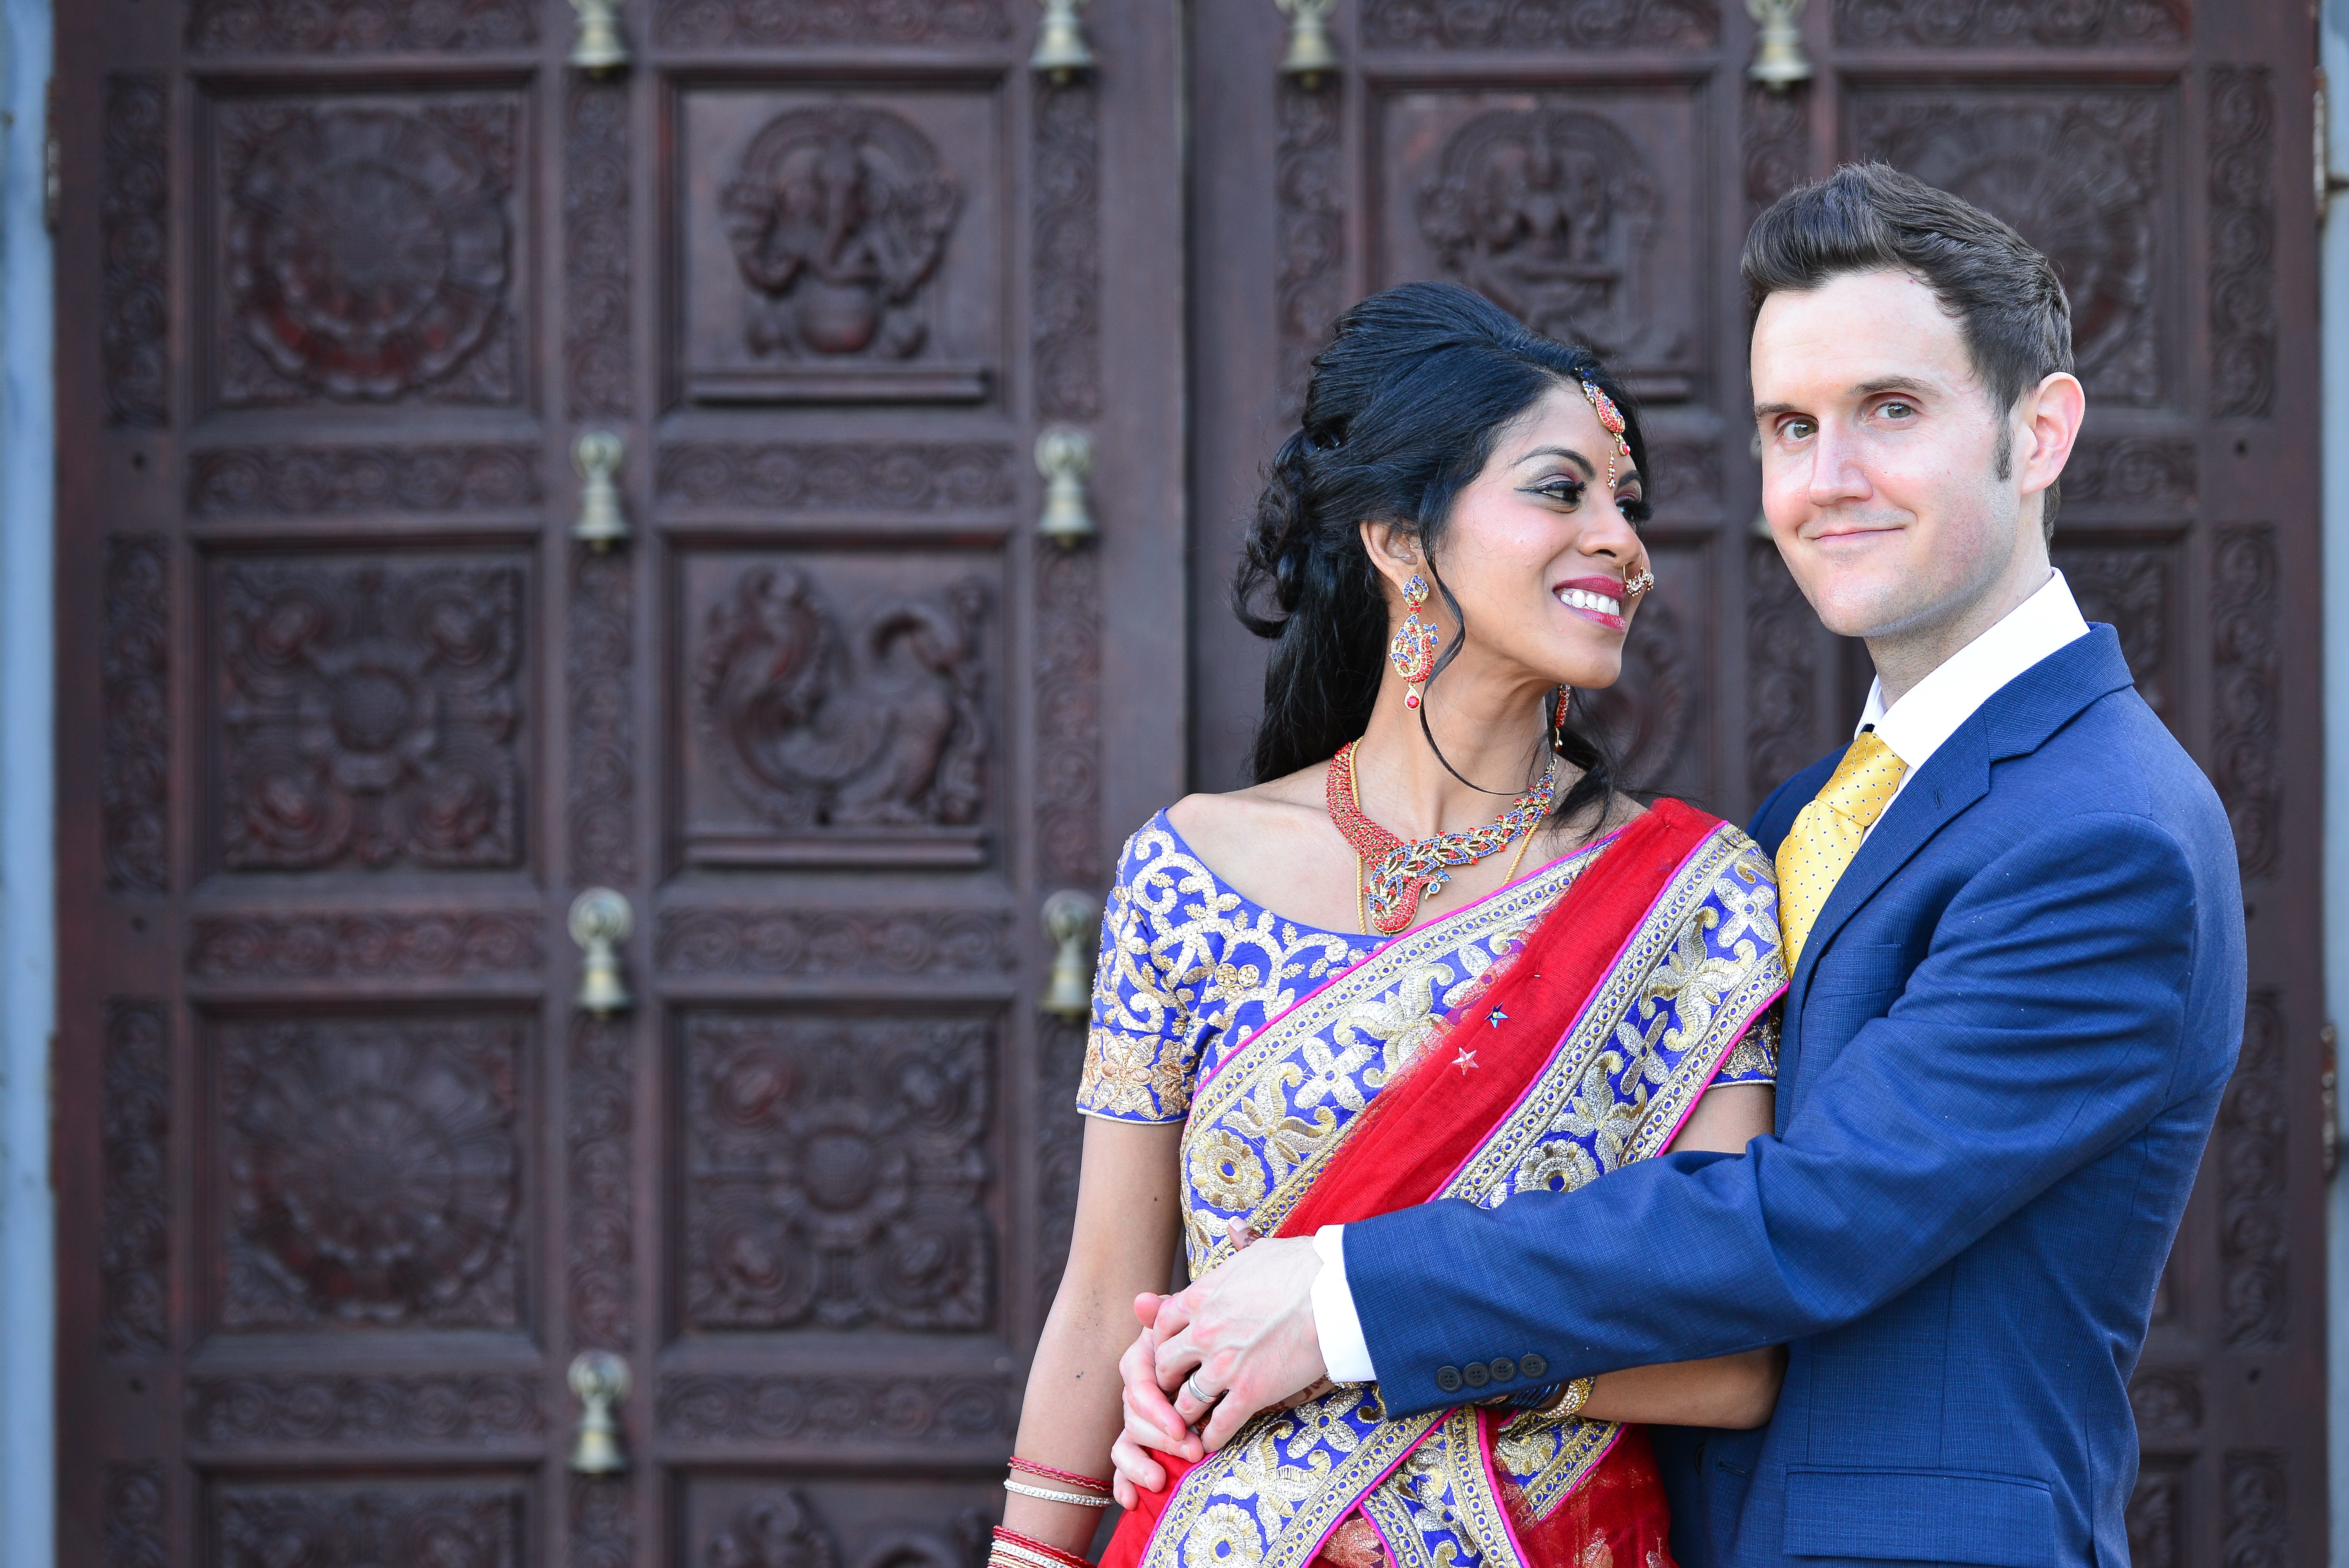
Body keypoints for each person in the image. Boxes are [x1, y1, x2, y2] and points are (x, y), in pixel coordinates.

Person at [1112, 165, 2248, 1568]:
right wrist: (1219, 1377)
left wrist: (1338, 1301)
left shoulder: (2102, 833)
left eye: (1891, 411)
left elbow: (1813, 1216)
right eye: (1791, 424)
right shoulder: (1797, 822)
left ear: (2040, 432)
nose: (1828, 479)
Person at [986, 281, 1797, 1568]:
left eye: (1626, 504)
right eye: (1561, 490)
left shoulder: (1693, 896)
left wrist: (1364, 1343)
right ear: (1401, 542)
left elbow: (1732, 1353)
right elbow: (1102, 1304)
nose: (1623, 542)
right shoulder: (1191, 873)